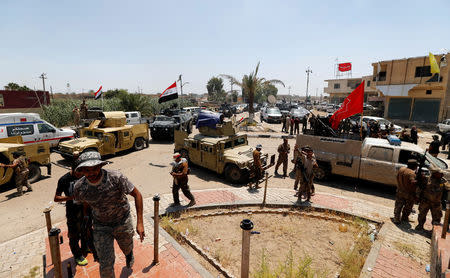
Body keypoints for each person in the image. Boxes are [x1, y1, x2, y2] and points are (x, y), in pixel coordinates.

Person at [73, 151, 145, 277]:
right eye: (87, 170)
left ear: (100, 166)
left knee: (127, 247)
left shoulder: (116, 177)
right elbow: (84, 203)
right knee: (105, 263)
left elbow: (137, 195)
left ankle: (129, 255)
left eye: (94, 169)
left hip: (122, 221)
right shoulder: (79, 187)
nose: (91, 173)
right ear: (82, 171)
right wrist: (86, 221)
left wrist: (140, 223)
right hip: (101, 226)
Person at [54, 153, 96, 266]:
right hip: (72, 211)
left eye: (82, 173)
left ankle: (86, 247)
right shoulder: (64, 180)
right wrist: (71, 197)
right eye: (78, 173)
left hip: (85, 208)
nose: (80, 175)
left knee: (87, 229)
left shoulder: (84, 176)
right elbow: (56, 198)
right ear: (72, 169)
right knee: (74, 234)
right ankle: (77, 255)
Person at [393, 159, 418, 224]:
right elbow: (413, 183)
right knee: (408, 206)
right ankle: (404, 217)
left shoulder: (401, 169)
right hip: (408, 193)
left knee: (398, 205)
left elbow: (397, 177)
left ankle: (396, 218)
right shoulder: (412, 173)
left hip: (400, 190)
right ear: (414, 166)